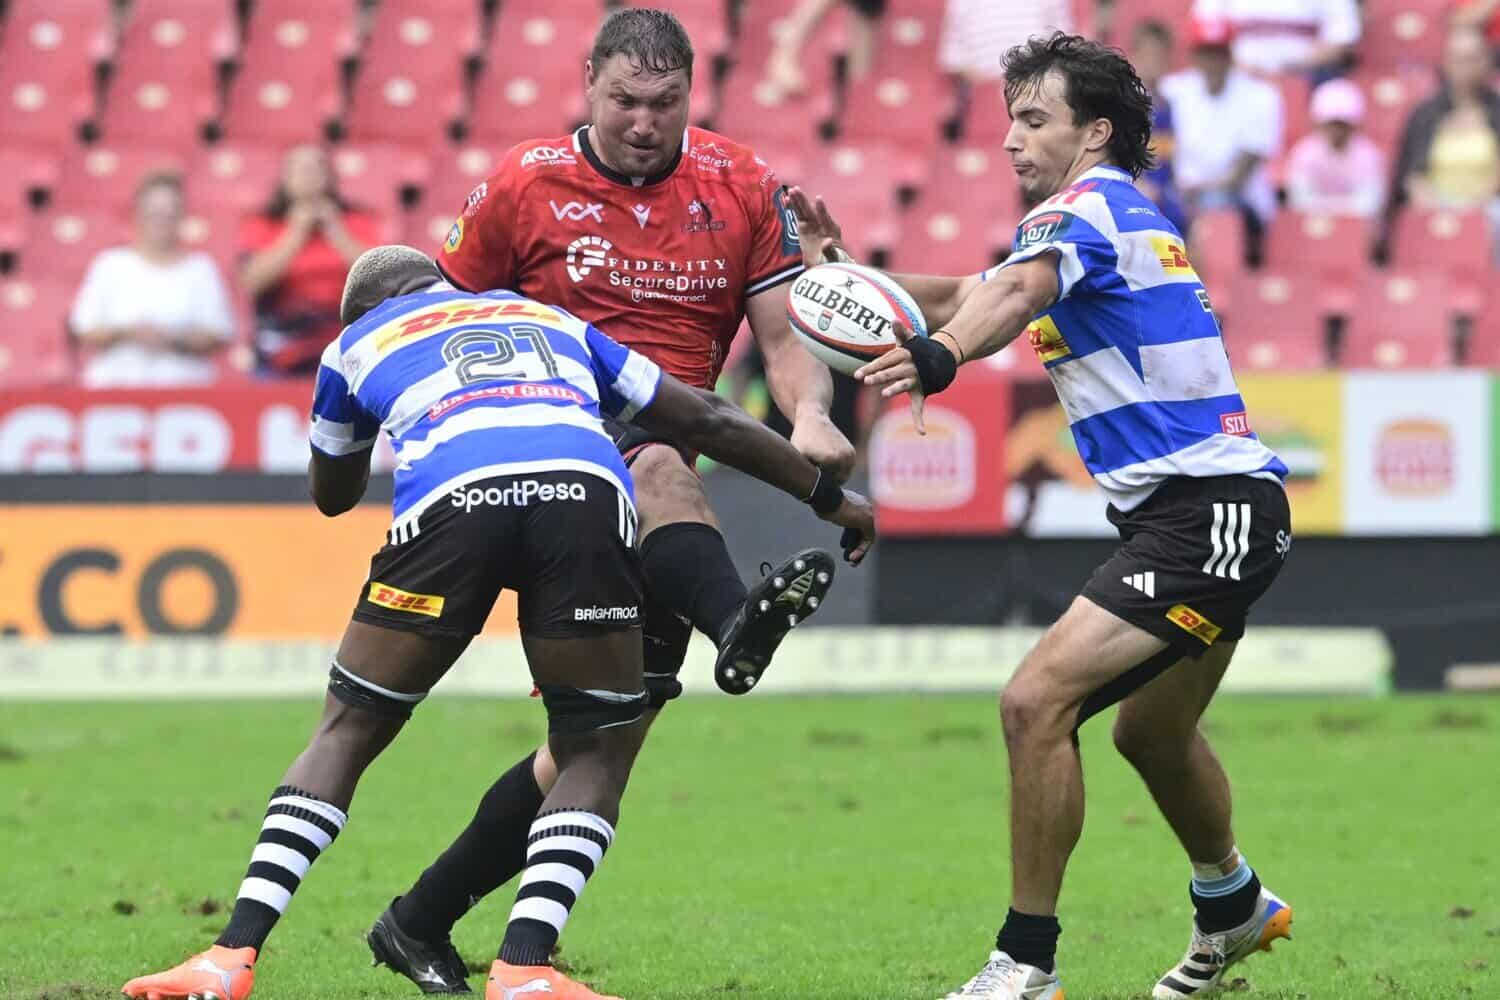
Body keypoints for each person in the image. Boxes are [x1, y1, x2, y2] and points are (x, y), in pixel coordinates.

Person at [119, 246, 876, 1000]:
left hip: (454, 502)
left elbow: (333, 493)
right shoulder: (545, 317)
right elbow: (709, 416)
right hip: (584, 494)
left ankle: (231, 956)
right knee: (594, 746)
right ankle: (524, 967)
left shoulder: (354, 342)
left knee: (347, 731)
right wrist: (828, 497)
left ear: (364, 309)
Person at [791, 32, 1293, 1000]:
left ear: (1093, 132)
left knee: (1034, 703)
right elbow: (975, 291)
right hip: (1205, 515)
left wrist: (940, 356)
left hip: (1207, 515)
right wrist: (843, 280)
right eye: (1010, 121)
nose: (1011, 140)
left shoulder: (1084, 208)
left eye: (1033, 119)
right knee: (1150, 735)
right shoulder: (1098, 221)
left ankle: (1025, 962)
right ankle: (1233, 903)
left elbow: (1011, 296)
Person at [363, 11, 858, 993]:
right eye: (625, 100)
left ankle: (419, 922)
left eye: (663, 103)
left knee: (594, 749)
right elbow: (442, 322)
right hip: (549, 456)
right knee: (662, 460)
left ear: (691, 94)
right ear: (589, 81)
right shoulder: (524, 182)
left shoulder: (740, 183)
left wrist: (810, 414)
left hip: (665, 477)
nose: (642, 121)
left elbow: (784, 337)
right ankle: (736, 620)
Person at [69, 171, 233, 387]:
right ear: (137, 215)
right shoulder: (109, 265)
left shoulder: (201, 269)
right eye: (154, 213)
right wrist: (128, 333)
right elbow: (84, 329)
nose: (161, 222)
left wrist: (171, 339)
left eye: (169, 214)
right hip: (116, 388)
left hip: (184, 390)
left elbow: (218, 333)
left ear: (181, 217)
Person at [239, 144, 380, 376]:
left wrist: (336, 231)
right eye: (300, 171)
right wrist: (296, 231)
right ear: (285, 179)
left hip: (345, 332)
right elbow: (252, 283)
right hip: (285, 336)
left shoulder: (356, 220)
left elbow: (377, 278)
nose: (308, 178)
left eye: (315, 169)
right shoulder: (263, 223)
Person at [1160, 16, 1282, 263]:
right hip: (1181, 195)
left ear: (1230, 55)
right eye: (1206, 53)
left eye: (1219, 53)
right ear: (1195, 56)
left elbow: (1239, 176)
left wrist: (1194, 190)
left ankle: (1215, 275)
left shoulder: (1260, 97)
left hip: (1239, 202)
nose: (1212, 62)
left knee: (1215, 203)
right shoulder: (1173, 90)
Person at [1389, 25, 1500, 215]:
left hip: (1489, 207)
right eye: (1458, 60)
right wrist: (1434, 206)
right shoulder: (1424, 114)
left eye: (1472, 59)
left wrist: (1475, 207)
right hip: (1433, 207)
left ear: (1487, 63)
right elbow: (1412, 174)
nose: (1465, 68)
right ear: (1446, 63)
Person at [1284, 77, 1385, 217]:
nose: (1336, 131)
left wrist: (1325, 207)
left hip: (1356, 227)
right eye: (1331, 124)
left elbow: (1370, 205)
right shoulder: (1304, 153)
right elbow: (1299, 201)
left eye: (1342, 124)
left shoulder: (1369, 156)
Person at [1190, 0, 1360, 78]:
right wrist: (1241, 67)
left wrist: (1293, 67)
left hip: (1306, 77)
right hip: (1235, 76)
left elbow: (1343, 37)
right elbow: (1204, 29)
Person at [1129, 19, 1189, 233]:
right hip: (1135, 194)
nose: (1153, 62)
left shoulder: (1169, 105)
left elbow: (1170, 159)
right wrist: (1137, 184)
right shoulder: (1125, 104)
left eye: (1159, 55)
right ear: (1135, 56)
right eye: (1147, 54)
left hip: (1166, 196)